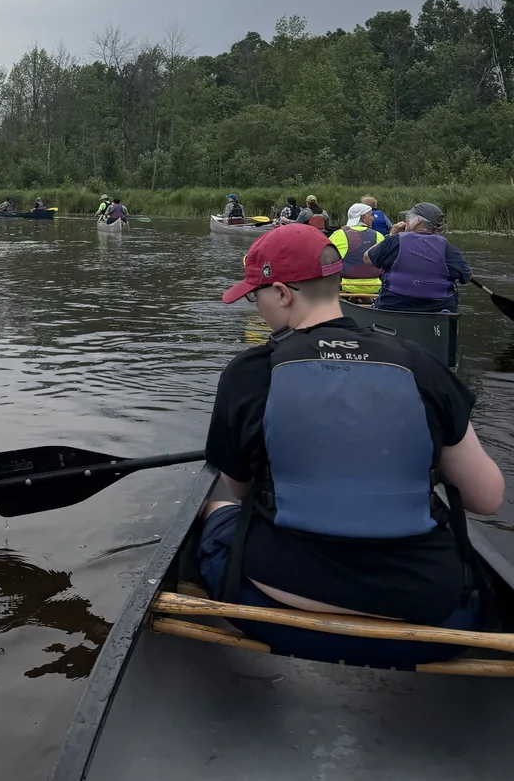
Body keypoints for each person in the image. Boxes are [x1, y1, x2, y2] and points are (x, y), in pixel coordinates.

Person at [197, 225, 503, 665]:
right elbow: (487, 498)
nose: (255, 305)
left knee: (217, 508)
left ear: (282, 293)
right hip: (439, 625)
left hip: (271, 608)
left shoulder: (248, 373)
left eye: (254, 294)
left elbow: (240, 489)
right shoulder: (422, 365)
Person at [364, 202, 471, 313]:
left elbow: (367, 258)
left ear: (419, 221)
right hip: (438, 311)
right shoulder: (448, 248)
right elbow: (465, 277)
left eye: (408, 218)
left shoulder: (394, 241)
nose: (406, 221)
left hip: (394, 307)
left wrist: (391, 235)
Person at [328, 202, 385, 296]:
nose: (373, 218)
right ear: (363, 217)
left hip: (347, 285)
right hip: (375, 285)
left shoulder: (338, 235)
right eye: (370, 215)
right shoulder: (378, 235)